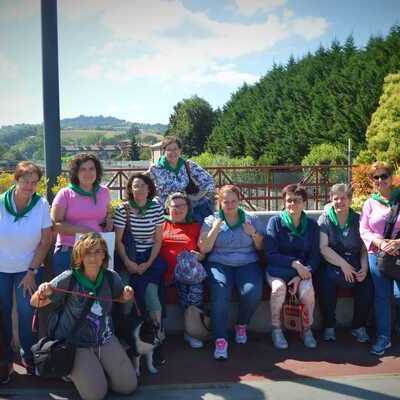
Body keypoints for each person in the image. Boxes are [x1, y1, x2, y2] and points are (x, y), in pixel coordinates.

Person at [31, 232, 137, 400]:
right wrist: (43, 292)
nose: (93, 257)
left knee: (128, 387)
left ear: (104, 254)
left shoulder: (111, 277)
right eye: (88, 252)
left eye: (98, 251)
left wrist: (126, 295)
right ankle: (75, 371)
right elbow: (34, 301)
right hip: (75, 344)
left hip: (104, 339)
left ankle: (95, 369)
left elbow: (119, 297)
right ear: (79, 256)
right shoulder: (69, 278)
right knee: (96, 395)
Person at [198, 185, 264, 360]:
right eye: (225, 202)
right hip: (219, 262)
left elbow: (261, 246)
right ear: (220, 202)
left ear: (239, 201)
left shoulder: (251, 219)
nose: (230, 205)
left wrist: (254, 233)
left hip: (247, 262)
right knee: (220, 292)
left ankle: (241, 324)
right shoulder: (211, 219)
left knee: (252, 292)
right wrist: (215, 229)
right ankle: (220, 339)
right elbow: (204, 248)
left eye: (233, 201)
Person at [0, 161, 52, 381]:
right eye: (25, 181)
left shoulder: (41, 205)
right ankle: (5, 361)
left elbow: (46, 240)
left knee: (27, 313)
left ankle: (28, 357)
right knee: (2, 314)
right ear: (16, 180)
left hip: (27, 270)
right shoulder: (1, 203)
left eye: (34, 182)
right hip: (1, 269)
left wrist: (32, 271)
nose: (30, 186)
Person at [265, 184, 320, 350]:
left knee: (307, 292)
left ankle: (307, 329)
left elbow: (315, 257)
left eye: (297, 201)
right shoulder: (275, 222)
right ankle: (276, 329)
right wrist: (294, 264)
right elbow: (271, 254)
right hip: (277, 270)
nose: (292, 204)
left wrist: (300, 274)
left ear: (304, 203)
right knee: (278, 289)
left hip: (302, 273)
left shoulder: (311, 226)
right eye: (289, 200)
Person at [317, 183, 373, 343]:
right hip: (333, 261)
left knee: (366, 285)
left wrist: (363, 267)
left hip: (355, 260)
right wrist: (343, 264)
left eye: (343, 198)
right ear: (331, 200)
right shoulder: (325, 219)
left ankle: (358, 327)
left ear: (349, 200)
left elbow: (363, 249)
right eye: (336, 198)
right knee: (326, 282)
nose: (340, 202)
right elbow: (323, 248)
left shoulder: (358, 219)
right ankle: (329, 326)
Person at [114, 173, 167, 329]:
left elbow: (158, 240)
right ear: (130, 189)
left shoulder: (156, 208)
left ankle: (157, 333)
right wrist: (128, 262)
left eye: (143, 185)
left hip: (149, 257)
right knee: (126, 295)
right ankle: (125, 330)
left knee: (152, 295)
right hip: (127, 258)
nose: (140, 189)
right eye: (136, 186)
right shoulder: (123, 209)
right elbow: (118, 241)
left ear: (149, 188)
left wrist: (148, 263)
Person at [360, 161, 400, 356]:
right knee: (382, 297)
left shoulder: (399, 197)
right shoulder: (369, 203)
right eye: (375, 177)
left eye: (384, 176)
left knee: (399, 296)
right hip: (378, 255)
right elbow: (364, 229)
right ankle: (384, 337)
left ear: (391, 177)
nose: (380, 180)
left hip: (399, 252)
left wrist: (398, 242)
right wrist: (380, 242)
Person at [51, 153, 113, 276]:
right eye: (83, 169)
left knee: (94, 294)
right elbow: (55, 225)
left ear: (97, 171)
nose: (88, 173)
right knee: (68, 294)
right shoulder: (65, 194)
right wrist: (82, 231)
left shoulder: (104, 192)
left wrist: (108, 223)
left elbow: (106, 217)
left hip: (96, 251)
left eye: (91, 169)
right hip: (69, 251)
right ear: (76, 173)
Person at [159, 192, 206, 349]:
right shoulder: (161, 225)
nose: (177, 210)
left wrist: (199, 256)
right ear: (167, 209)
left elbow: (203, 251)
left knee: (193, 287)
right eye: (174, 206)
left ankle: (191, 331)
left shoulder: (195, 226)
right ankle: (188, 329)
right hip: (166, 273)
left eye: (181, 206)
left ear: (188, 208)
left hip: (187, 274)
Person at [148, 136, 215, 223]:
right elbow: (142, 184)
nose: (172, 152)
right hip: (165, 211)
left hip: (186, 209)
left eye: (175, 149)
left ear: (180, 150)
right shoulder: (156, 169)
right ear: (164, 151)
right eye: (169, 149)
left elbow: (209, 181)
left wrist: (196, 197)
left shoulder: (188, 165)